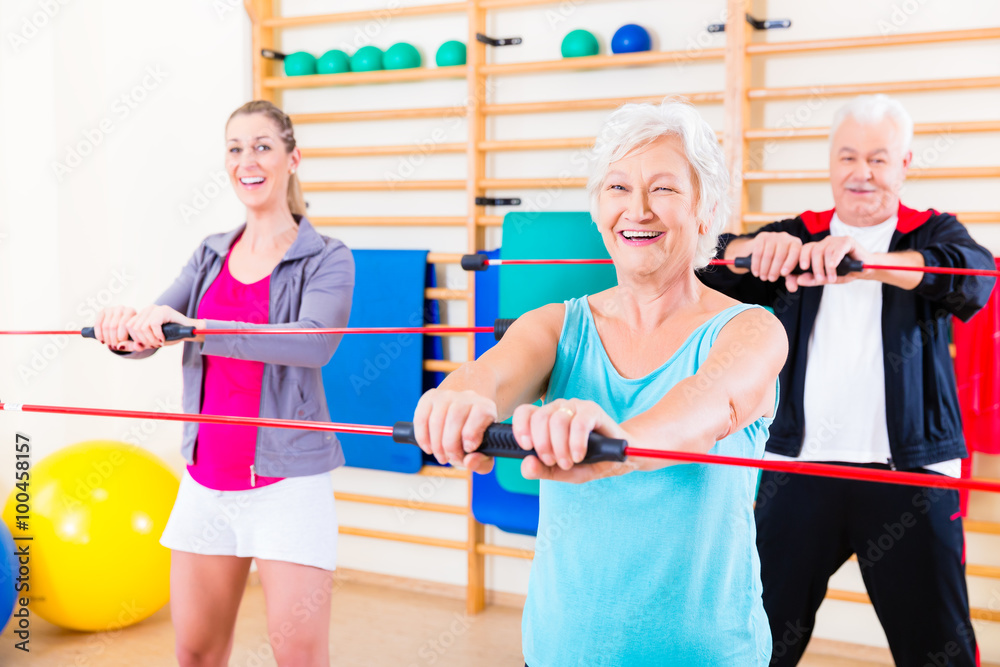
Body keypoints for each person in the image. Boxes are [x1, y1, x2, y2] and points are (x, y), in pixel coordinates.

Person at [412, 98, 788, 665]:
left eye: (663, 189)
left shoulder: (751, 330)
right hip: (563, 651)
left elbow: (706, 405)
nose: (637, 209)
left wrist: (620, 445)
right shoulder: (555, 326)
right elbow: (488, 375)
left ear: (706, 211)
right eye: (617, 189)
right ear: (597, 209)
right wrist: (455, 401)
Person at [699, 94, 994, 666]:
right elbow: (705, 266)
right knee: (756, 639)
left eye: (879, 160)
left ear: (905, 164)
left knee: (938, 649)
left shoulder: (931, 233)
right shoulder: (798, 236)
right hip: (797, 472)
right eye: (848, 157)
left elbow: (972, 278)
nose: (862, 173)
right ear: (831, 163)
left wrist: (867, 261)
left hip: (912, 476)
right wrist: (751, 249)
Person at [93, 100, 354, 667]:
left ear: (293, 158)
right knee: (196, 653)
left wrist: (203, 330)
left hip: (288, 486)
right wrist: (124, 330)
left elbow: (314, 343)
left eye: (263, 145)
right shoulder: (210, 253)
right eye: (235, 148)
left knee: (300, 659)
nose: (247, 160)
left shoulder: (327, 258)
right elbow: (157, 330)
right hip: (204, 482)